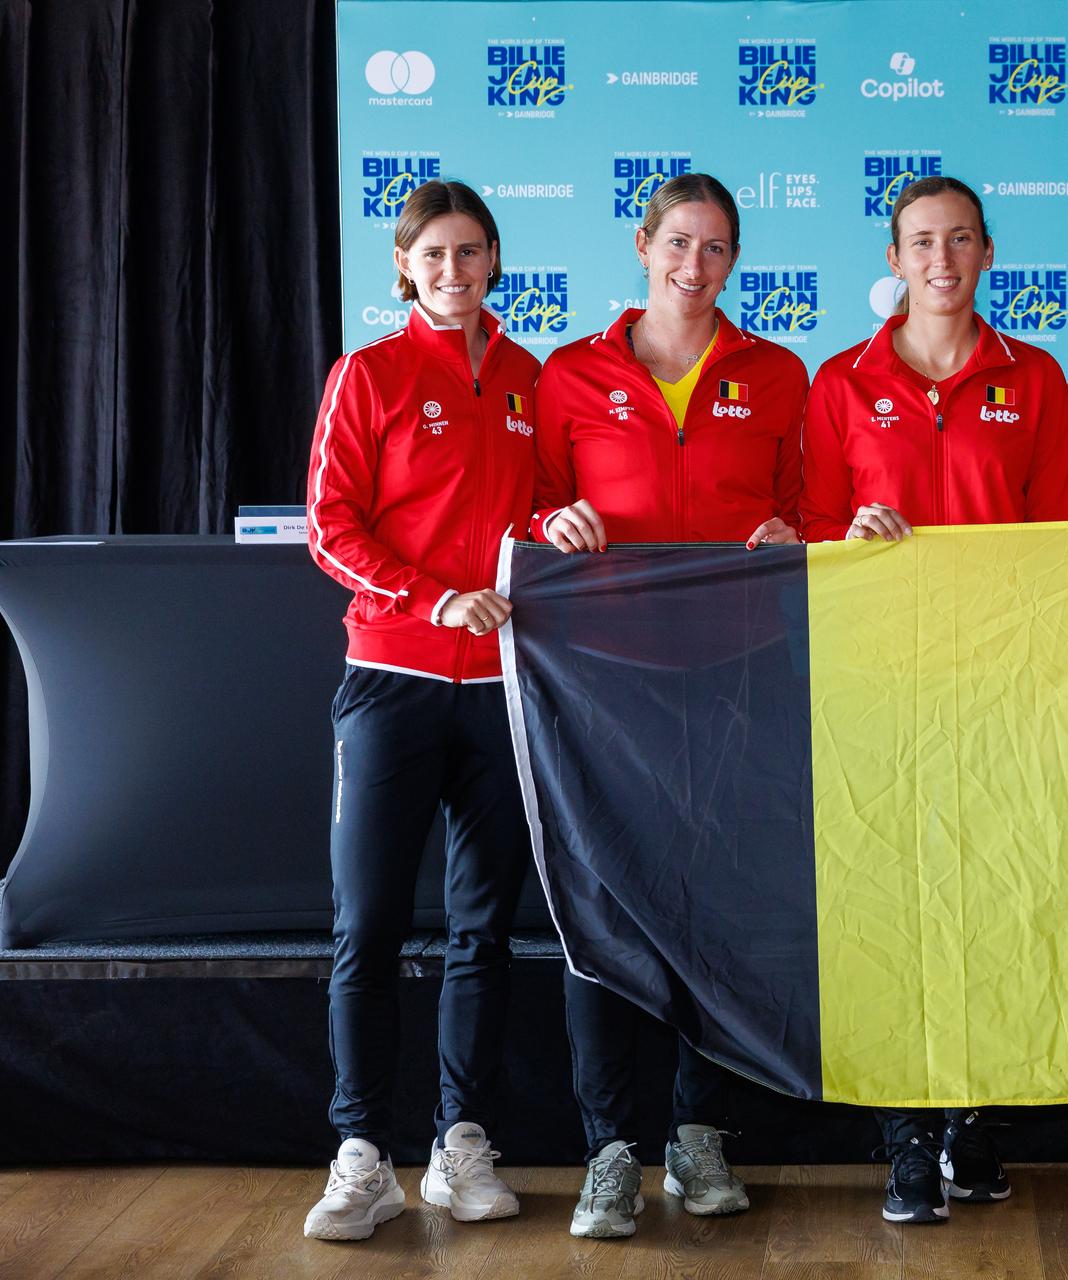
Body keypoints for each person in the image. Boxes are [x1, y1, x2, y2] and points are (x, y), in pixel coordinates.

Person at [527, 172, 807, 1239]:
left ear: (734, 261)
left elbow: (806, 505)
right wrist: (551, 521)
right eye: (679, 243)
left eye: (717, 248)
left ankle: (698, 1134)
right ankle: (610, 1149)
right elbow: (530, 504)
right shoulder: (568, 375)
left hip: (738, 671)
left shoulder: (776, 373)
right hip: (605, 676)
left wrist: (792, 532)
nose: (696, 266)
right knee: (601, 907)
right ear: (643, 246)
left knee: (718, 909)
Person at [800, 175, 1068, 1224]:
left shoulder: (1035, 377)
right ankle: (907, 1136)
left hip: (1003, 679)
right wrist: (849, 538)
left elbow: (1060, 537)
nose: (942, 260)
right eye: (922, 241)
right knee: (895, 909)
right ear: (895, 258)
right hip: (882, 681)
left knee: (999, 900)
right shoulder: (840, 381)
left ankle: (976, 1121)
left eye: (960, 240)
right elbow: (812, 529)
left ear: (987, 252)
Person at [301, 180, 540, 1241]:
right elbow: (329, 524)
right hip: (391, 679)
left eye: (470, 251)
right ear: (405, 265)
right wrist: (430, 595)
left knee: (483, 928)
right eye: (434, 254)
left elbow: (545, 507)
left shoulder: (531, 378)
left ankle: (459, 1144)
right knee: (368, 924)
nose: (454, 270)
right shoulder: (370, 373)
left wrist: (558, 524)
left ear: (493, 260)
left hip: (502, 687)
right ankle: (361, 1153)